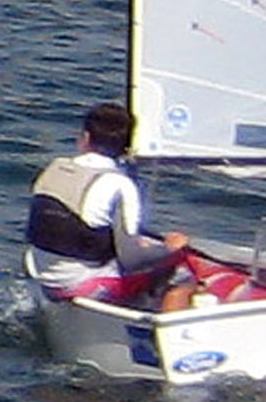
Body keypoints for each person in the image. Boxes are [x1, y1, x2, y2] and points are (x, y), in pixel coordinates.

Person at [26, 100, 209, 311]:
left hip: (43, 275)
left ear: (85, 138)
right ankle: (162, 327)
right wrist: (170, 248)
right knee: (182, 275)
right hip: (79, 284)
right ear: (127, 148)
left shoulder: (54, 168)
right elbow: (132, 260)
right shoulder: (120, 184)